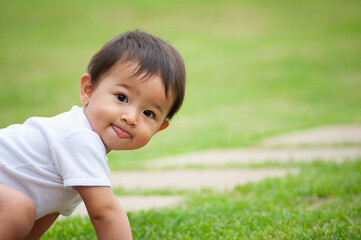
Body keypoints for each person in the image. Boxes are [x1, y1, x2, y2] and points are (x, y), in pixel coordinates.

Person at [0, 30, 186, 239]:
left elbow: (48, 207)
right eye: (122, 97)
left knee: (24, 208)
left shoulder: (85, 153)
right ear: (88, 90)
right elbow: (106, 214)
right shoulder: (78, 137)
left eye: (148, 113)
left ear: (160, 128)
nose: (131, 117)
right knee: (18, 207)